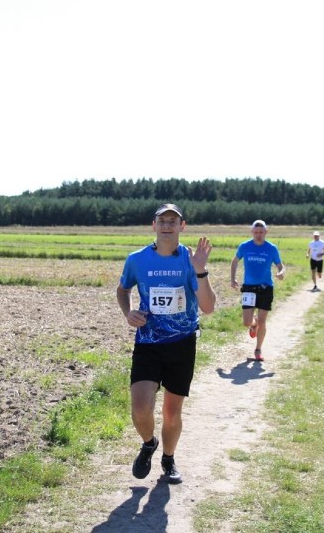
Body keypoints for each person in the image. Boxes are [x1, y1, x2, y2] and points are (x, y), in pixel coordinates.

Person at [116, 203, 216, 485]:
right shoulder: (136, 259)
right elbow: (122, 289)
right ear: (154, 225)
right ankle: (149, 443)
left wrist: (201, 271)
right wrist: (128, 312)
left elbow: (208, 308)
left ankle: (169, 460)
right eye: (163, 220)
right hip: (148, 342)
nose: (168, 225)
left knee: (172, 413)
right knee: (139, 408)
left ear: (182, 226)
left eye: (174, 221)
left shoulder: (191, 259)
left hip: (182, 344)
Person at [230, 219, 286, 362]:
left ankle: (258, 349)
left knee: (263, 321)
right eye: (256, 232)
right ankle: (253, 325)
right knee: (247, 322)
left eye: (261, 232)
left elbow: (280, 265)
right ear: (252, 232)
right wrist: (233, 279)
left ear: (266, 232)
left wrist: (281, 273)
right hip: (249, 288)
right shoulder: (245, 246)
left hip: (266, 288)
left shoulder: (271, 248)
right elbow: (235, 261)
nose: (258, 235)